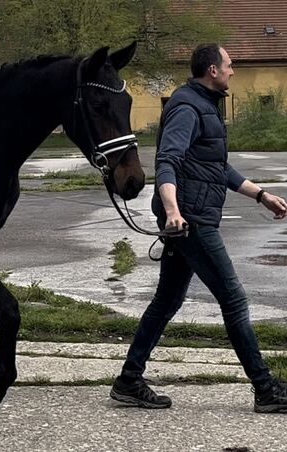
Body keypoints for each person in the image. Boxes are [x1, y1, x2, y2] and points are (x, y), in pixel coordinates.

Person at [110, 43, 287, 412]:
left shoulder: (205, 105)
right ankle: (265, 388)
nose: (232, 71)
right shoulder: (188, 108)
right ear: (212, 70)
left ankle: (128, 380)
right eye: (229, 65)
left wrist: (261, 195)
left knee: (167, 300)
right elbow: (168, 161)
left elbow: (216, 168)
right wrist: (173, 211)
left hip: (194, 216)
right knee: (234, 299)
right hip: (190, 221)